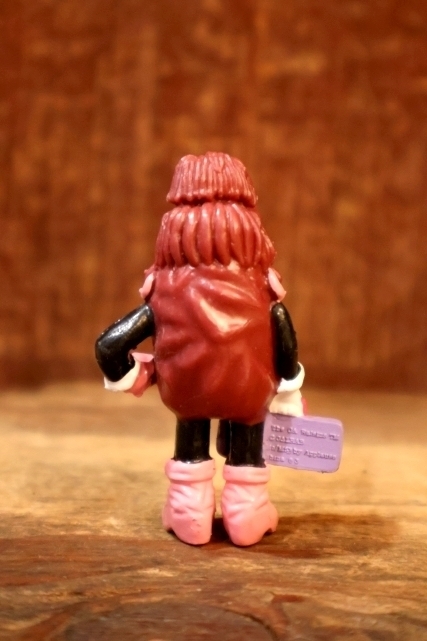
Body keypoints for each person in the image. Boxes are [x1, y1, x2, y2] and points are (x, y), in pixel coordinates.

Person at [95, 152, 304, 546]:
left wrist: (136, 374)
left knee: (190, 436)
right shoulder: (263, 289)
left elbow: (109, 346)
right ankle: (247, 514)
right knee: (248, 436)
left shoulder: (162, 291)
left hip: (186, 389)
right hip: (251, 389)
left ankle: (189, 510)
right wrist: (290, 388)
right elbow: (284, 333)